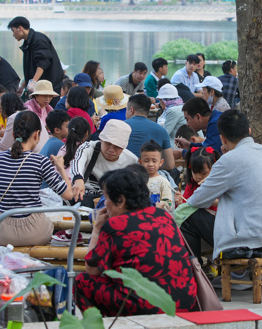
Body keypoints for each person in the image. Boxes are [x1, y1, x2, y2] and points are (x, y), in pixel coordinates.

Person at [75, 167, 198, 316]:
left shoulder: (115, 225)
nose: (105, 204)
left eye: (106, 198)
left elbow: (92, 269)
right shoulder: (164, 216)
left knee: (82, 282)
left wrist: (97, 229)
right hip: (185, 301)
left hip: (146, 307)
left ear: (120, 201)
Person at [181, 110, 262, 262]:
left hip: (254, 244)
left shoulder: (229, 160)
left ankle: (194, 274)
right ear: (249, 131)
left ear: (222, 138)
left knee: (188, 216)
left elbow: (197, 200)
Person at [0, 111, 75, 246]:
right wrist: (61, 168)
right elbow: (69, 195)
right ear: (37, 134)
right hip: (35, 232)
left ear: (13, 135)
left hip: (3, 232)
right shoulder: (40, 161)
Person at [70, 119, 139, 206]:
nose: (111, 150)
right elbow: (77, 162)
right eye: (108, 144)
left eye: (117, 147)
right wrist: (78, 179)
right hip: (85, 199)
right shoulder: (88, 148)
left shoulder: (132, 160)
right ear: (101, 139)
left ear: (124, 147)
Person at [8, 16, 64, 97]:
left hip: (48, 89)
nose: (13, 34)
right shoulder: (28, 43)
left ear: (20, 28)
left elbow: (42, 63)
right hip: (38, 89)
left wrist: (33, 82)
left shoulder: (39, 39)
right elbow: (31, 70)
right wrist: (22, 87)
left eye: (13, 31)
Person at [124, 94, 175, 169]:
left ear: (131, 110)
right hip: (149, 175)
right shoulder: (161, 130)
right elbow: (169, 165)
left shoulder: (120, 126)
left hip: (122, 174)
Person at [139, 141, 175, 209]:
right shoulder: (137, 180)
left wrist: (158, 206)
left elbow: (169, 203)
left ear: (161, 162)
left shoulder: (163, 182)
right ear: (140, 162)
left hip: (157, 216)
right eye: (146, 161)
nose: (150, 164)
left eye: (154, 161)